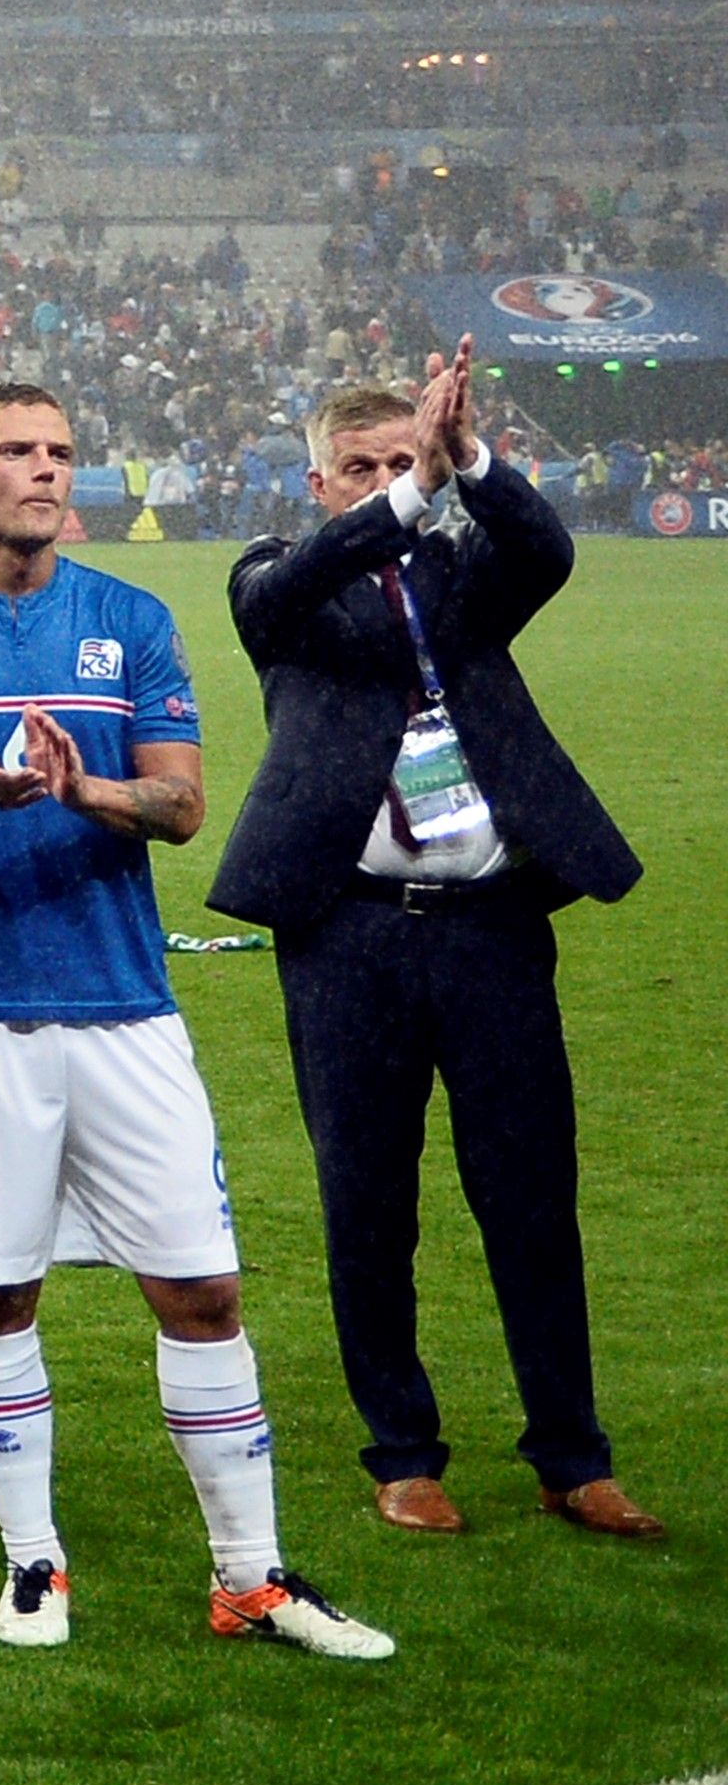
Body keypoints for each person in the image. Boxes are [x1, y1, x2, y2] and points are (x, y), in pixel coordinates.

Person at [0, 379, 389, 1660]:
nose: (45, 470)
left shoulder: (127, 620)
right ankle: (35, 1565)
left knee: (202, 1290)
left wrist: (86, 790)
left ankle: (249, 1575)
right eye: (15, 452)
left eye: (62, 451)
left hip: (125, 1004)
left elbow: (185, 807)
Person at [210, 348, 655, 1541]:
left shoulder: (466, 576)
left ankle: (573, 1455)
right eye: (357, 467)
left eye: (400, 463)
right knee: (370, 1202)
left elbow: (549, 553)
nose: (381, 483)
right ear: (317, 486)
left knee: (531, 1197)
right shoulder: (279, 582)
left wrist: (470, 461)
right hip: (348, 935)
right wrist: (406, 496)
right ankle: (402, 1453)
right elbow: (287, 589)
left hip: (493, 929)